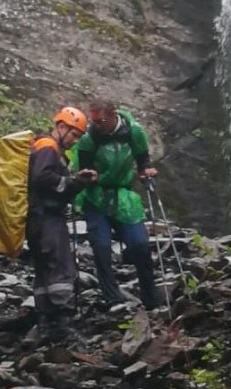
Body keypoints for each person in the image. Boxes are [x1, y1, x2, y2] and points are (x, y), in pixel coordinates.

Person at [70, 99, 160, 310]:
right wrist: (87, 176)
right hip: (96, 196)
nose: (96, 125)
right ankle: (112, 298)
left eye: (100, 121)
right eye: (93, 121)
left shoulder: (134, 132)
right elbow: (83, 167)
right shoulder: (89, 139)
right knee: (101, 246)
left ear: (113, 115)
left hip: (123, 195)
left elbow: (143, 160)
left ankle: (150, 298)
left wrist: (146, 171)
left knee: (140, 244)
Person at [26, 106, 96, 343]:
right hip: (47, 219)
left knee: (43, 270)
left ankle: (45, 324)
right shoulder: (48, 147)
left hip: (35, 219)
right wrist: (72, 182)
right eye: (74, 134)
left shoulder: (42, 146)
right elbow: (42, 178)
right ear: (61, 127)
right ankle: (63, 325)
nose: (75, 141)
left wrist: (74, 182)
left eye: (78, 137)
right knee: (60, 268)